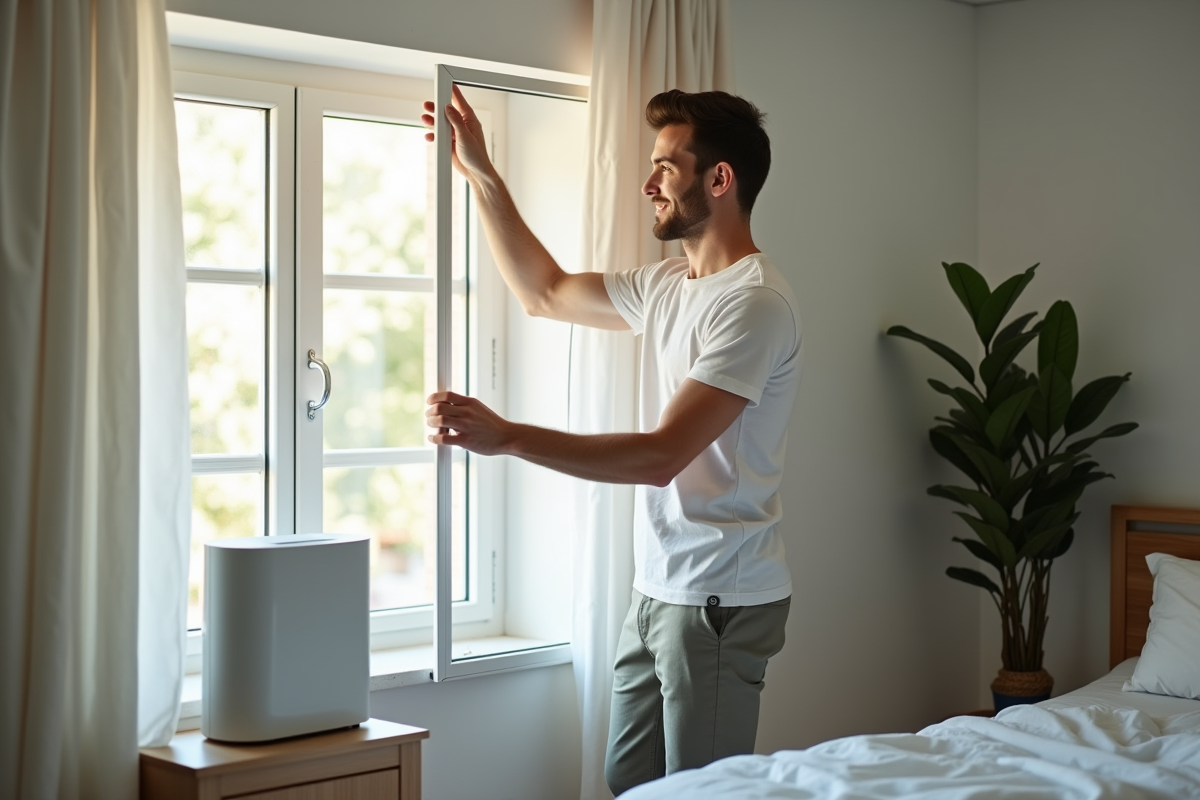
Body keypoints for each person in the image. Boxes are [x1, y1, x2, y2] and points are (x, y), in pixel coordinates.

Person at [422, 86, 801, 796]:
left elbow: (661, 456)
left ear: (718, 180)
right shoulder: (668, 286)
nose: (648, 182)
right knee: (627, 786)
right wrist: (481, 174)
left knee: (701, 794)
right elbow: (545, 290)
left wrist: (507, 437)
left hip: (720, 595)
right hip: (657, 587)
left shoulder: (755, 304)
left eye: (665, 165)